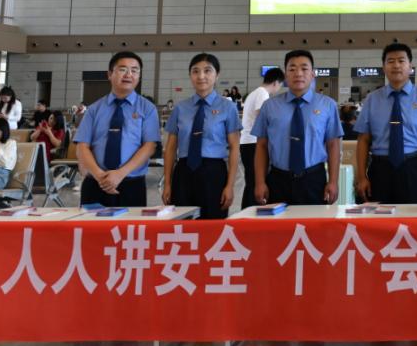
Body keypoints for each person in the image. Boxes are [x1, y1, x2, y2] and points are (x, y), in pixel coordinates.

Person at [354, 43, 417, 204]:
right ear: (384, 67)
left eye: (401, 61)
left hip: (412, 167)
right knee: (378, 216)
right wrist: (361, 177)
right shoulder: (372, 99)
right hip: (380, 169)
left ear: (410, 66)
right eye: (391, 61)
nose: (396, 65)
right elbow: (363, 140)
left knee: (412, 216)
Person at [253, 50, 342, 206]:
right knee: (279, 222)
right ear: (286, 75)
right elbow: (261, 146)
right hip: (278, 179)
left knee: (313, 221)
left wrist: (333, 181)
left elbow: (333, 145)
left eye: (304, 68)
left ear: (313, 74)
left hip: (314, 179)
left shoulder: (327, 105)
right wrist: (260, 182)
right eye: (292, 69)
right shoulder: (270, 106)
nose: (298, 73)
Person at [73, 52, 160, 207]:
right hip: (96, 183)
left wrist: (120, 174)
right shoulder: (94, 109)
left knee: (130, 224)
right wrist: (101, 177)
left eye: (134, 70)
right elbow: (82, 146)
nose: (129, 74)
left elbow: (150, 146)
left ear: (139, 76)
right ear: (110, 74)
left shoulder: (148, 109)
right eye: (122, 69)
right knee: (91, 223)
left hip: (131, 185)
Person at [163, 54, 241, 220]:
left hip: (214, 173)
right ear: (190, 75)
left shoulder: (228, 107)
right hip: (183, 172)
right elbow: (170, 148)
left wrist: (230, 185)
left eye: (207, 71)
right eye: (195, 71)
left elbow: (234, 148)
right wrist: (167, 184)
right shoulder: (180, 108)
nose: (201, 76)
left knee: (213, 225)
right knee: (183, 225)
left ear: (217, 75)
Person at [240, 67, 283, 209]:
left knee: (251, 181)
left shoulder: (254, 93)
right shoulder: (262, 94)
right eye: (280, 85)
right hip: (253, 143)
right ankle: (250, 213)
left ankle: (247, 212)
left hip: (247, 142)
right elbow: (263, 118)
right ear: (276, 83)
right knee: (255, 182)